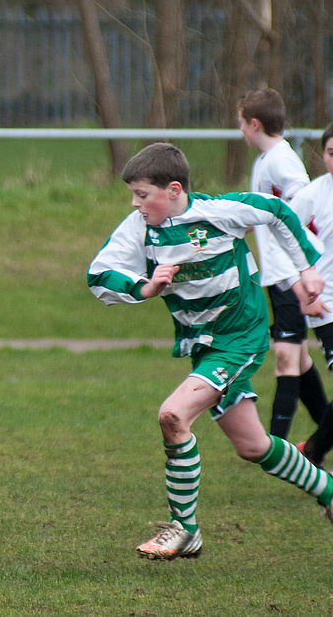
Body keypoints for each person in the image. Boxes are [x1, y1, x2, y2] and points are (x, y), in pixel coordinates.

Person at [87, 142, 333, 561]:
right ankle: (328, 490)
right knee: (253, 446)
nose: (135, 203)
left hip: (241, 336)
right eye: (133, 195)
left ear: (175, 189)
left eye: (143, 195)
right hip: (203, 346)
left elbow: (277, 212)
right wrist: (143, 287)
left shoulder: (219, 211)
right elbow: (98, 274)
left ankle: (184, 529)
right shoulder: (139, 228)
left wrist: (306, 268)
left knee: (173, 415)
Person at [237, 88, 329, 439]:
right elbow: (267, 211)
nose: (240, 131)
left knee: (285, 361)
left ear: (255, 123)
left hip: (292, 276)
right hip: (277, 276)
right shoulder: (264, 160)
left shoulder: (282, 161)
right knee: (300, 362)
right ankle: (324, 435)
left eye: (241, 123)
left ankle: (274, 447)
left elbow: (302, 211)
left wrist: (304, 273)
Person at [283, 123, 333, 467]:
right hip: (327, 304)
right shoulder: (311, 197)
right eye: (332, 154)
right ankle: (312, 451)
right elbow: (280, 240)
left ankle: (312, 449)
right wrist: (300, 288)